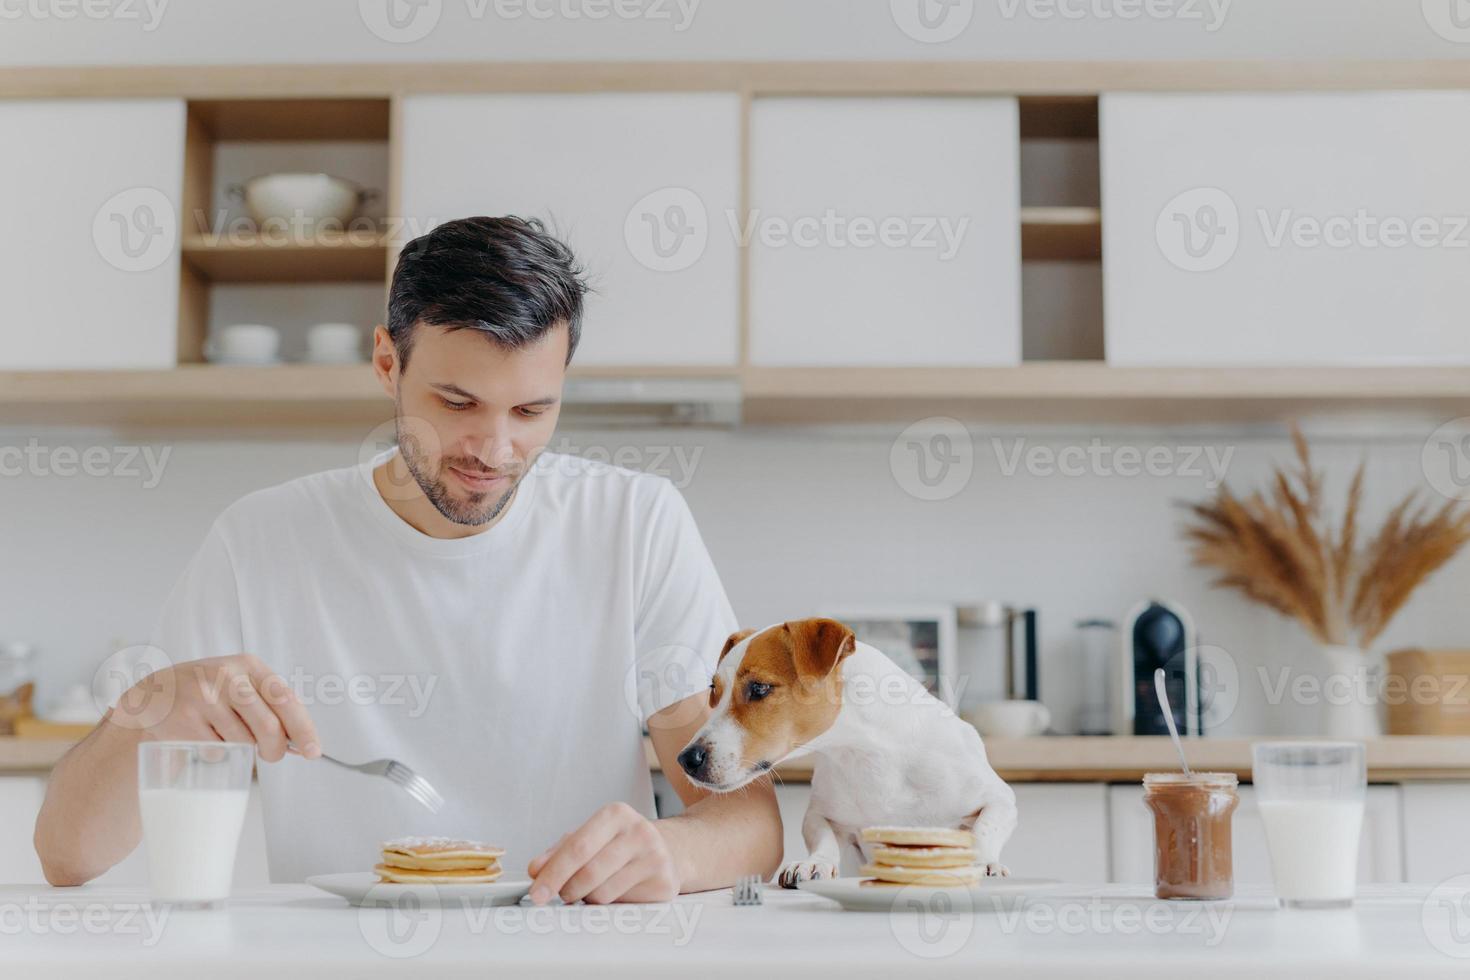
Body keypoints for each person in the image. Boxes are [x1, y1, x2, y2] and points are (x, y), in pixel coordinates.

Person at [35, 216, 783, 903]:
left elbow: (749, 824)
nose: (495, 451)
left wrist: (669, 855)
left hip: (567, 951)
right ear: (387, 364)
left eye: (532, 411)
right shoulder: (258, 543)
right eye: (457, 403)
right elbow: (67, 856)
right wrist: (151, 711)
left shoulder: (634, 525)